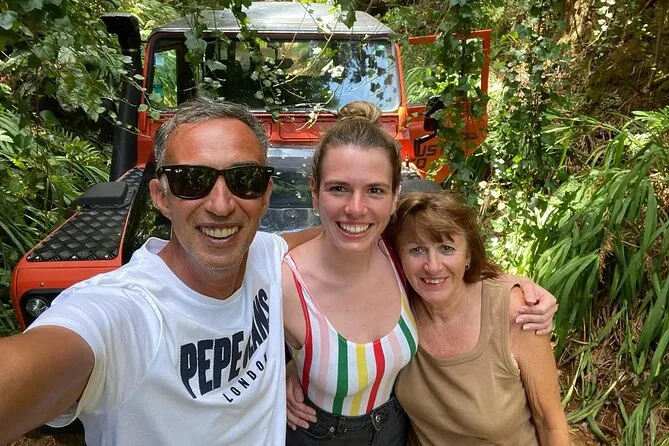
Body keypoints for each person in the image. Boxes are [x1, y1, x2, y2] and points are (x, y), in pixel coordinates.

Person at [0, 98, 316, 445]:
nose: (221, 205)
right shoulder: (123, 311)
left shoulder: (265, 254)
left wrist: (303, 363)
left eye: (244, 179)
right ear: (161, 197)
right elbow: (52, 353)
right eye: (192, 181)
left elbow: (336, 234)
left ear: (265, 195)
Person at [282, 101, 558, 445]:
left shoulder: (393, 251)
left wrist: (519, 287)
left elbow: (450, 258)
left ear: (394, 196)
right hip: (321, 433)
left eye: (375, 190)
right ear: (315, 191)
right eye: (339, 188)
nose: (356, 208)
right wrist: (286, 371)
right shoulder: (283, 280)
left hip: (396, 429)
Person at [386, 191, 570, 445]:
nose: (433, 266)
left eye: (447, 248)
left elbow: (550, 422)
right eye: (417, 250)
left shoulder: (515, 312)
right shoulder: (393, 313)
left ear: (469, 255)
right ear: (398, 257)